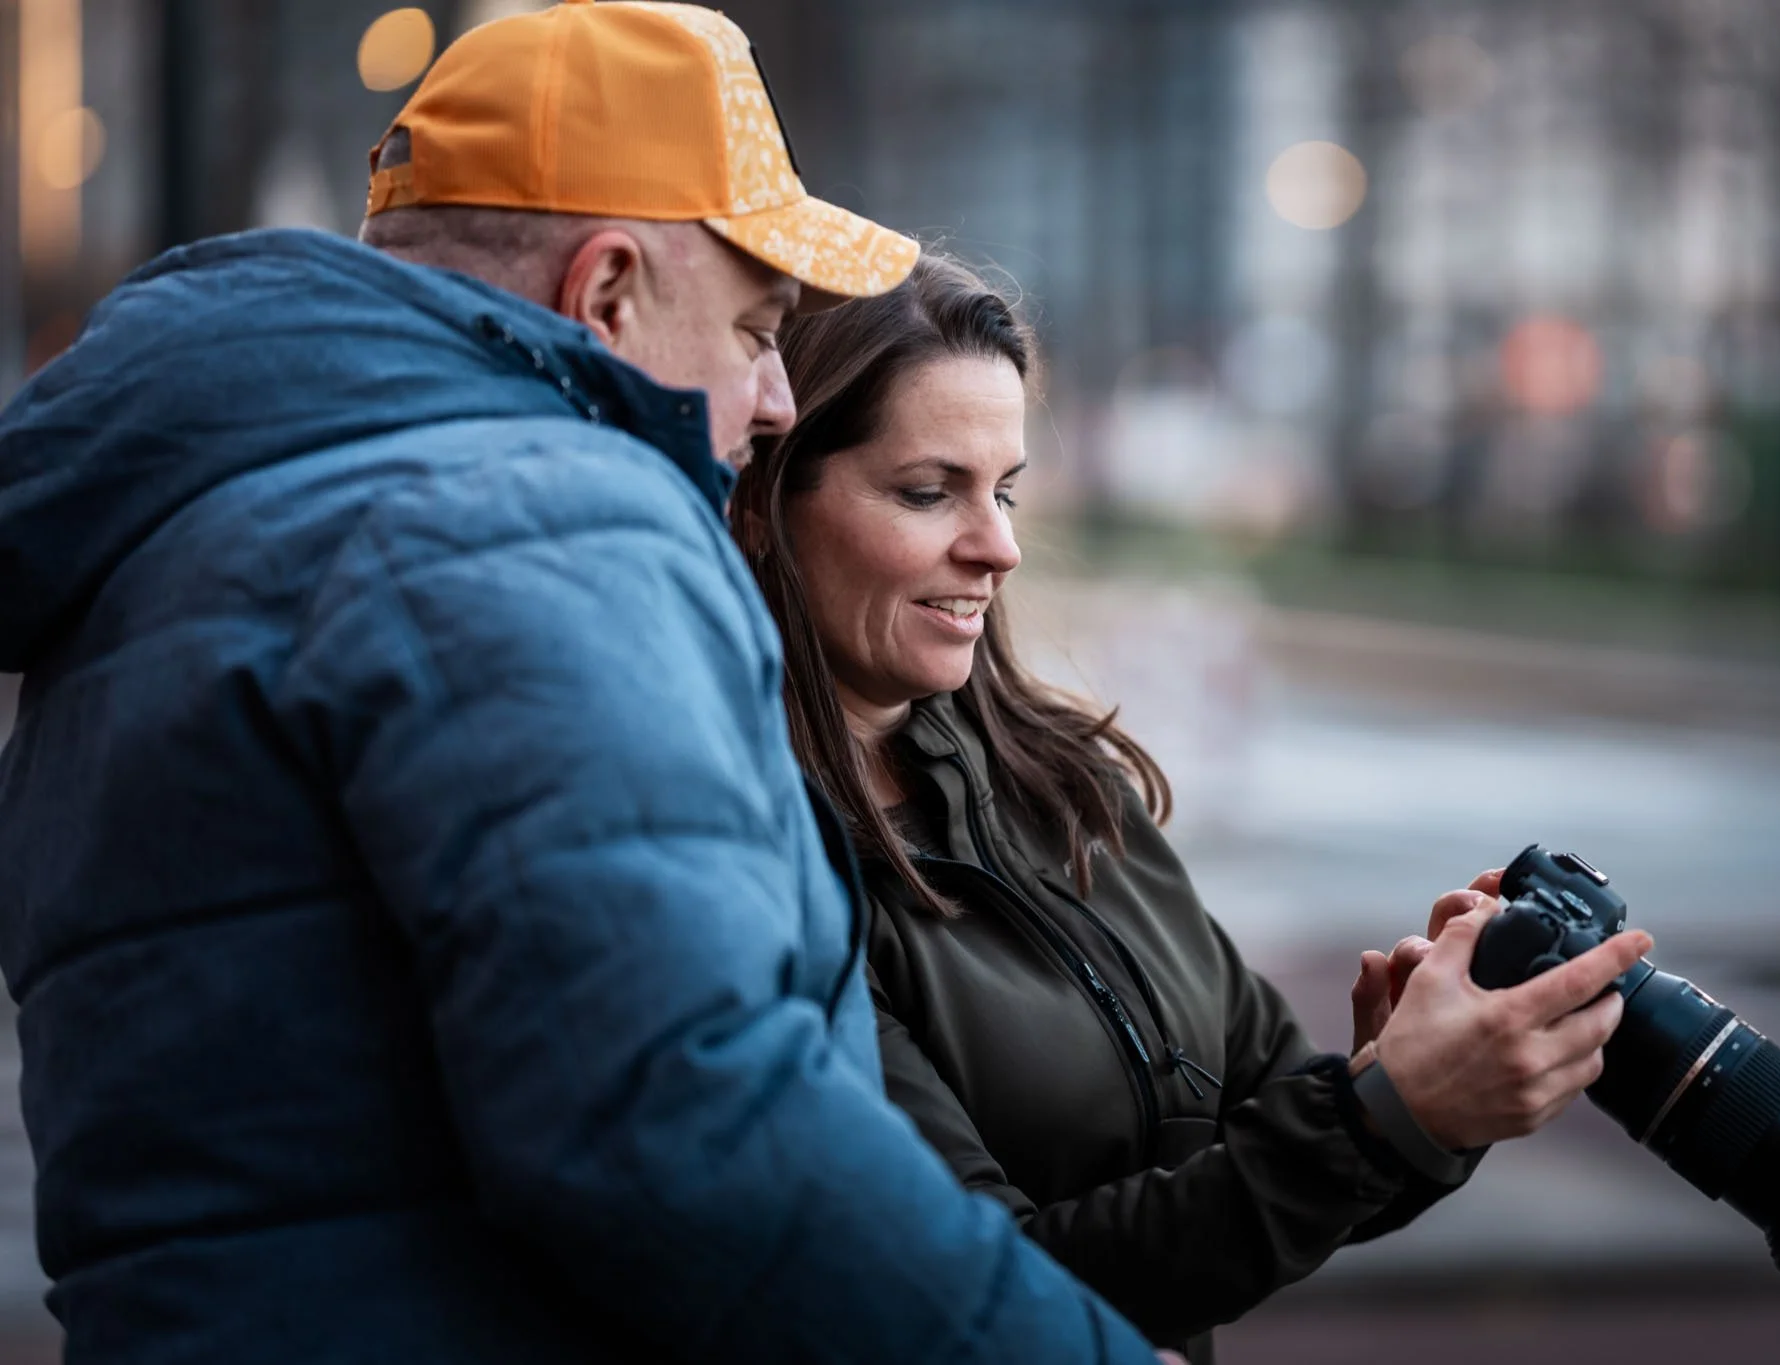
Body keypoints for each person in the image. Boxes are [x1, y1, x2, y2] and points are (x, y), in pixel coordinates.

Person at [0, 5, 1172, 1362]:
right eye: (755, 328)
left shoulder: (186, 536)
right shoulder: (535, 514)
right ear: (607, 293)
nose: (777, 397)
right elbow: (687, 1123)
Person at [730, 253, 1655, 1363]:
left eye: (1006, 490)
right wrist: (1378, 1120)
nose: (1000, 547)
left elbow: (1269, 1145)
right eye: (929, 492)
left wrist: (1407, 1082)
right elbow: (990, 1289)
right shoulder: (762, 862)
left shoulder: (1063, 784)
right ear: (764, 500)